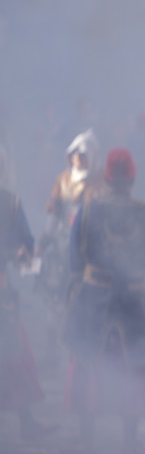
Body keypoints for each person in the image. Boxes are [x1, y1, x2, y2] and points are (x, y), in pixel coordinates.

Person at [63, 148, 145, 451]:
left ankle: (86, 437)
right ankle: (129, 440)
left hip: (93, 297)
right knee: (132, 365)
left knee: (86, 361)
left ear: (107, 177)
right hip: (132, 299)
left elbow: (74, 259)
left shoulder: (87, 212)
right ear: (132, 177)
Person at [36, 129, 102, 369]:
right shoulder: (63, 179)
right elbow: (53, 215)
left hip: (86, 251)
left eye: (83, 154)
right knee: (54, 298)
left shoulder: (98, 184)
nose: (78, 158)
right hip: (61, 248)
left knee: (80, 302)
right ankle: (52, 349)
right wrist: (42, 243)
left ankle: (78, 354)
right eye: (75, 153)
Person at [0, 188, 56, 441]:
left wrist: (20, 253)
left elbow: (25, 243)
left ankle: (26, 421)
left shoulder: (9, 202)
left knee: (14, 355)